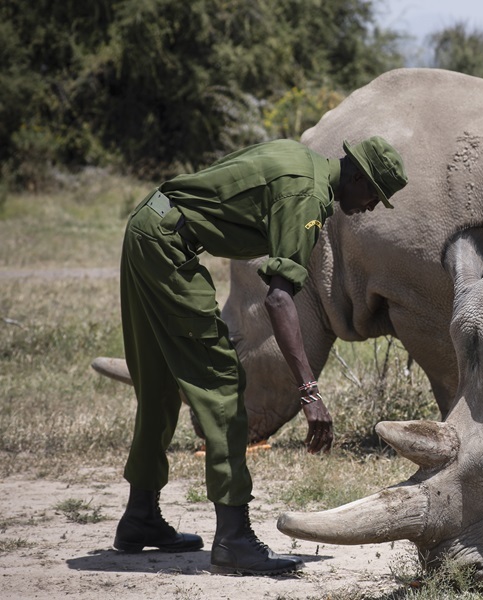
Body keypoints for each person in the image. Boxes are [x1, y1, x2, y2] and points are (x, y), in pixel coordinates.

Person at [113, 136, 407, 575]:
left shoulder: (299, 157)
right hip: (167, 248)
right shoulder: (307, 198)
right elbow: (279, 301)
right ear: (358, 177)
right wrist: (309, 392)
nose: (370, 208)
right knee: (224, 386)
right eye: (373, 195)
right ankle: (234, 539)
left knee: (158, 384)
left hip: (146, 227)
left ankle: (140, 518)